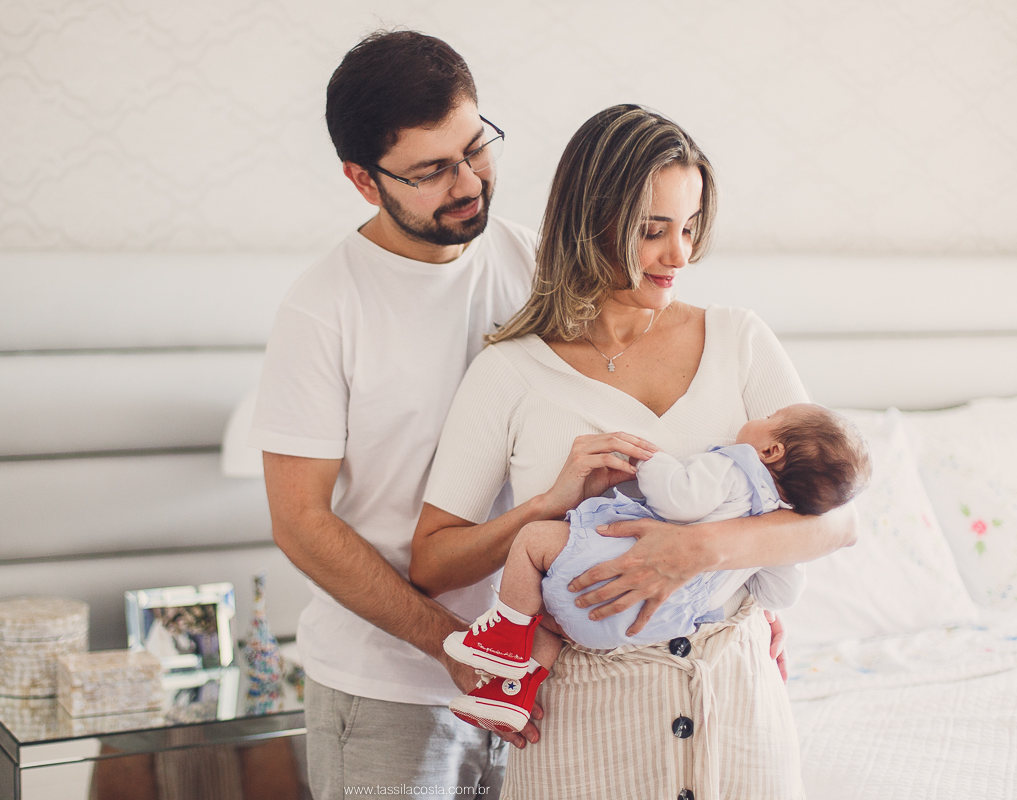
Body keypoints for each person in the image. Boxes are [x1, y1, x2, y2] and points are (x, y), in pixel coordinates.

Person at [410, 104, 859, 799]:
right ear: (591, 222)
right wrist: (546, 504)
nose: (679, 255)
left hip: (737, 713)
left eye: (689, 227)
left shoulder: (739, 341)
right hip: (586, 732)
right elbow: (433, 562)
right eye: (652, 232)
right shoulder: (510, 373)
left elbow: (838, 522)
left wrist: (697, 550)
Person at [248, 30, 538, 798]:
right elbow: (301, 523)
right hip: (386, 694)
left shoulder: (539, 268)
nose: (470, 181)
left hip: (538, 682)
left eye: (476, 148)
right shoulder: (322, 310)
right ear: (363, 181)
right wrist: (452, 645)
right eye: (433, 170)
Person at [443, 403, 871, 732]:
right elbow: (780, 595)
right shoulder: (776, 531)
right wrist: (775, 553)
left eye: (772, 416)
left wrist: (651, 459)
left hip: (609, 571)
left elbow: (678, 499)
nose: (761, 414)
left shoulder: (734, 467)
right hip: (651, 625)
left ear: (771, 450)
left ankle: (503, 638)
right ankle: (512, 695)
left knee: (533, 542)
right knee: (555, 626)